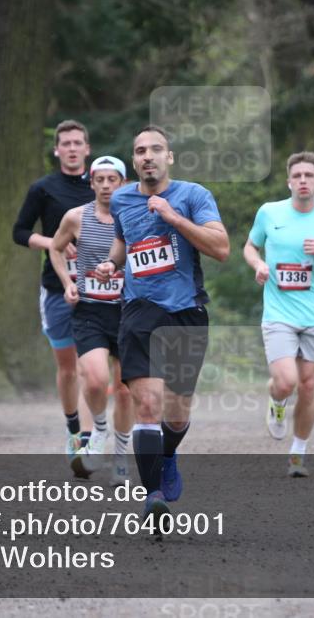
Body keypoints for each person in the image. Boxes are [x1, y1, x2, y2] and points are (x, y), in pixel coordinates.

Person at [94, 125, 229, 527]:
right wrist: (111, 264)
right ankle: (152, 497)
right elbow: (124, 241)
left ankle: (168, 456)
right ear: (134, 161)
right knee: (148, 406)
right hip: (139, 310)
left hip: (186, 311)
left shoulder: (193, 196)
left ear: (169, 157)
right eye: (140, 151)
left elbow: (220, 248)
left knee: (176, 413)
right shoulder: (121, 199)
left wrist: (172, 217)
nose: (147, 156)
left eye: (156, 149)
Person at [243, 151, 314, 478]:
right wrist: (259, 264)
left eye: (309, 175)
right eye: (297, 176)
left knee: (308, 386)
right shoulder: (269, 213)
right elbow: (249, 247)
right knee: (287, 382)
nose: (303, 180)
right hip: (278, 312)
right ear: (289, 181)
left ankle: (298, 453)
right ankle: (276, 401)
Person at [12, 120, 95, 464]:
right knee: (68, 368)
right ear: (57, 150)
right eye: (66, 143)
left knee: (93, 368)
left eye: (78, 142)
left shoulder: (103, 186)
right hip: (57, 287)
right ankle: (73, 427)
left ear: (87, 149)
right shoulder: (43, 189)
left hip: (99, 288)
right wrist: (54, 243)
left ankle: (90, 439)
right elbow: (19, 232)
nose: (72, 148)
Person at [48, 156, 134, 486]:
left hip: (128, 312)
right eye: (100, 180)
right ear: (92, 183)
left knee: (125, 392)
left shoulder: (134, 216)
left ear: (123, 183)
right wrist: (68, 283)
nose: (107, 185)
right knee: (96, 380)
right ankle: (98, 430)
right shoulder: (76, 217)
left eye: (113, 179)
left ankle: (122, 457)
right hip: (89, 311)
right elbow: (56, 248)